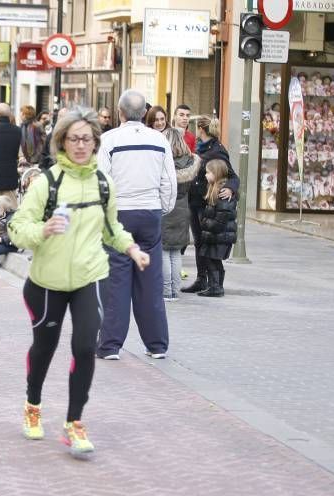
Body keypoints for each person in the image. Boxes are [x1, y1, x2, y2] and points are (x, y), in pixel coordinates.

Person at [7, 107, 148, 457]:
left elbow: (112, 228)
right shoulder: (47, 183)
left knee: (86, 347)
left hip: (89, 276)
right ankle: (33, 405)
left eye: (87, 139)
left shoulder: (103, 183)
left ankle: (74, 423)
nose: (81, 145)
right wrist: (43, 229)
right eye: (74, 139)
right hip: (46, 282)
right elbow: (16, 227)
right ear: (62, 142)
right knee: (45, 348)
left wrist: (131, 248)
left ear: (96, 142)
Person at [96, 89, 176, 361]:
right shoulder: (159, 140)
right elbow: (169, 180)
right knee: (150, 280)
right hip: (150, 211)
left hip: (120, 212)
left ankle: (110, 346)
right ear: (145, 113)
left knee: (116, 281)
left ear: (120, 112)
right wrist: (162, 206)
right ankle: (157, 345)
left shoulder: (108, 140)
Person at [181, 115, 238, 294]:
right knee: (199, 241)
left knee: (205, 242)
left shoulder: (217, 150)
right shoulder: (200, 147)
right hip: (195, 201)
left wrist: (229, 188)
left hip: (206, 203)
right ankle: (201, 279)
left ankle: (210, 282)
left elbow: (232, 175)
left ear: (201, 129)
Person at [161, 127, 200, 301]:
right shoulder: (190, 162)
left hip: (166, 207)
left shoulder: (165, 162)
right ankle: (175, 290)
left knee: (163, 251)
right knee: (176, 252)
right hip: (183, 208)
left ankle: (166, 290)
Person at [197, 159, 238, 297]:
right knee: (212, 260)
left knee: (212, 260)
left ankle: (216, 287)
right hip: (217, 235)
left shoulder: (222, 193)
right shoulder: (214, 189)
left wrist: (205, 224)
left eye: (208, 172)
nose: (205, 175)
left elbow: (222, 217)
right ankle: (215, 285)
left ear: (217, 173)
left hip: (219, 235)